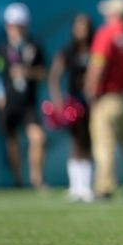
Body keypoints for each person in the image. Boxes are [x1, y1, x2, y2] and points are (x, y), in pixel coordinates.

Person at [84, 0, 123, 200]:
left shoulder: (107, 34)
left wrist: (91, 90)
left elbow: (97, 65)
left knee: (105, 144)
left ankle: (105, 187)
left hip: (109, 97)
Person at [0, 3, 47, 188]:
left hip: (28, 102)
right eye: (13, 25)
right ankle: (18, 180)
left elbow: (43, 72)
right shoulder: (2, 49)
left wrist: (27, 72)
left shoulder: (34, 46)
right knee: (11, 141)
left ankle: (36, 179)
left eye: (20, 25)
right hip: (9, 101)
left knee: (37, 137)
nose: (16, 29)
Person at [48, 13, 95, 203]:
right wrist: (58, 100)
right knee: (76, 142)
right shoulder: (67, 51)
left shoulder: (95, 49)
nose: (81, 31)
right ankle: (75, 186)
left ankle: (87, 186)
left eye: (84, 27)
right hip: (74, 103)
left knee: (89, 141)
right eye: (78, 27)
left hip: (92, 102)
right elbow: (54, 76)